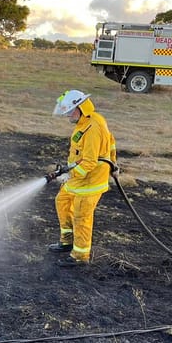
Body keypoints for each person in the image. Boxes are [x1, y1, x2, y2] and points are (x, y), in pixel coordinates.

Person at [47, 90, 116, 267]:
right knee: (62, 201)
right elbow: (111, 142)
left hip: (90, 181)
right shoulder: (84, 123)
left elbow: (90, 162)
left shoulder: (93, 127)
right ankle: (67, 241)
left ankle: (80, 255)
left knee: (81, 215)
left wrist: (69, 174)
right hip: (79, 177)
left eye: (70, 111)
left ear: (80, 108)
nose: (68, 115)